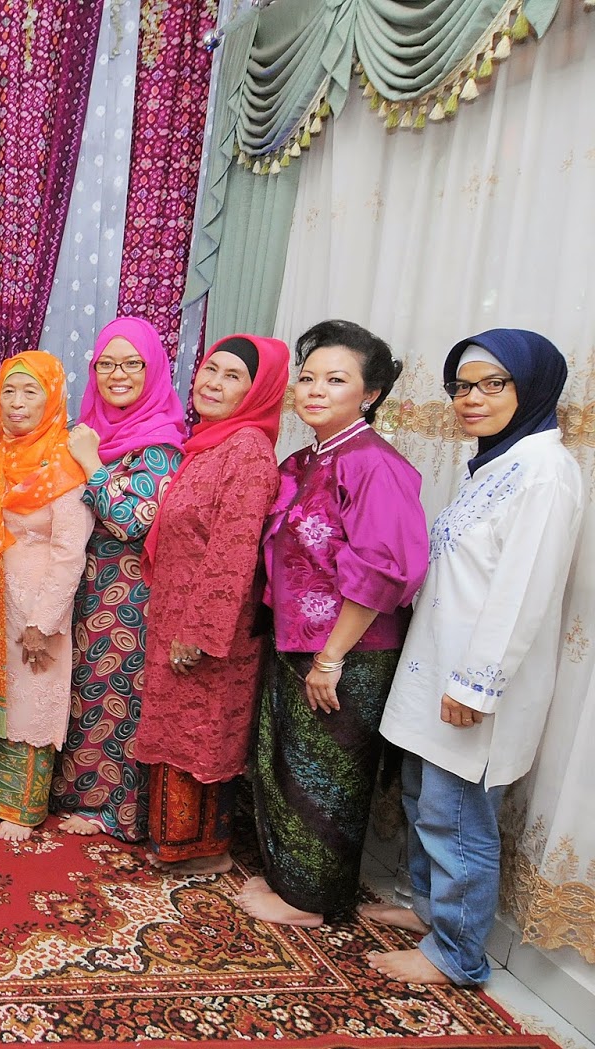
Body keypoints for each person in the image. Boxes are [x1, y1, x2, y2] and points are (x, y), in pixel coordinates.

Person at [366, 329, 583, 986]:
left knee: (456, 814)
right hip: (438, 669)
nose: (471, 398)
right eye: (461, 385)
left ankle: (457, 953)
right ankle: (431, 912)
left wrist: (477, 685)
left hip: (472, 684)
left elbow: (523, 591)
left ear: (532, 387)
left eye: (493, 384)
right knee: (424, 799)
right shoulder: (500, 462)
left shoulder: (544, 474)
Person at [239, 320, 428, 927]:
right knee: (288, 765)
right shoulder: (305, 460)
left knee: (327, 776)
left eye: (336, 380)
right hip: (297, 639)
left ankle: (312, 902)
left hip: (349, 650)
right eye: (308, 377)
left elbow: (384, 568)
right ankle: (292, 882)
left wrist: (331, 658)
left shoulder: (373, 465)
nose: (315, 390)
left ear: (369, 394)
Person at [134, 335, 288, 875]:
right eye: (210, 369)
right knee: (176, 726)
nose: (214, 383)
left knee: (201, 731)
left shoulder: (247, 452)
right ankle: (174, 842)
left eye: (233, 376)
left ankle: (205, 849)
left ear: (258, 391)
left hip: (209, 626)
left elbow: (232, 552)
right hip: (177, 611)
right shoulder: (208, 443)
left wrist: (199, 633)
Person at [52, 317, 185, 841]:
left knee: (114, 693)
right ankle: (74, 792)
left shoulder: (161, 445)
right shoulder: (89, 428)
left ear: (154, 372)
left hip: (127, 592)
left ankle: (114, 809)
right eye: (106, 364)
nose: (117, 374)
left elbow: (134, 520)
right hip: (82, 583)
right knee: (79, 689)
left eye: (132, 364)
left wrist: (90, 463)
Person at [0, 351, 92, 841]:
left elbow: (69, 551)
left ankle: (22, 806)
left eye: (30, 391)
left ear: (52, 398)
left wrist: (44, 620)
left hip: (39, 598)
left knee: (34, 693)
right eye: (8, 391)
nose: (16, 403)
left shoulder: (65, 460)